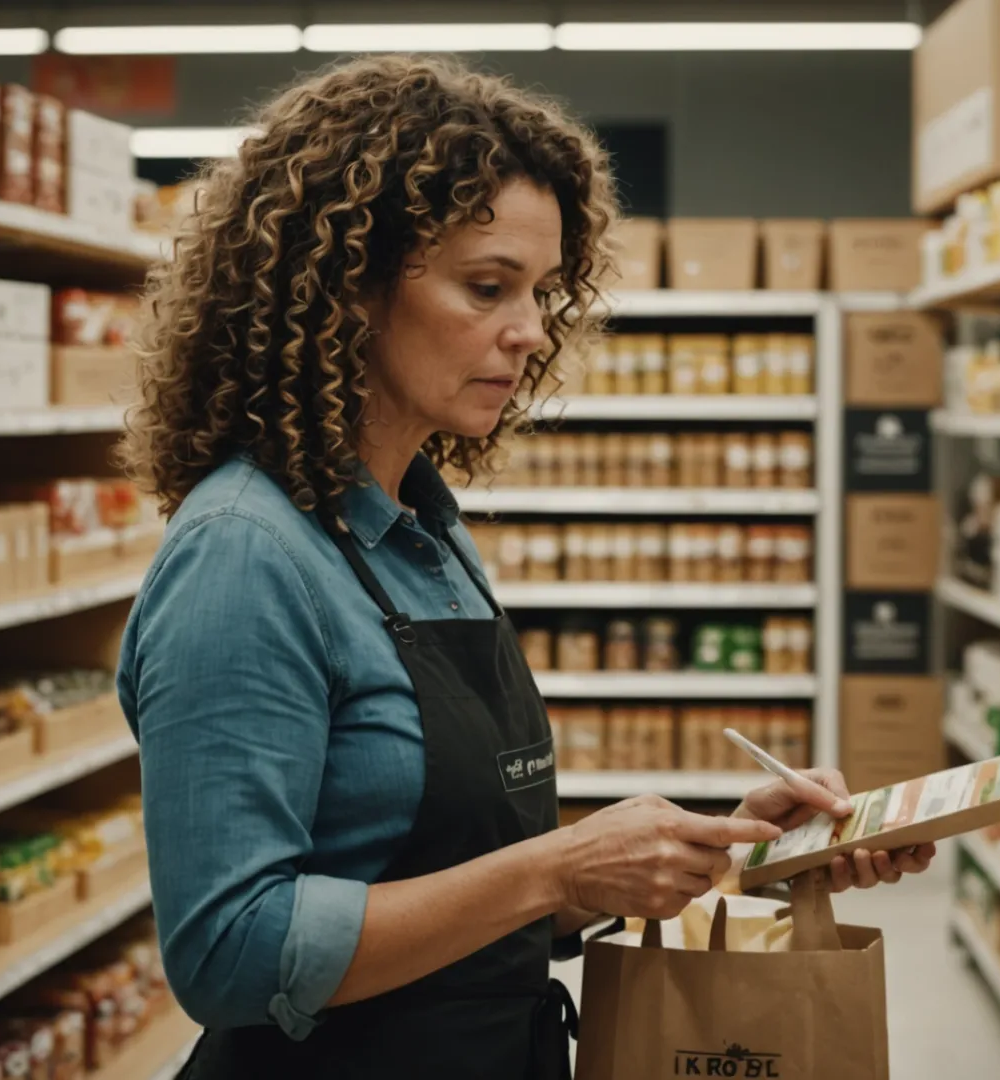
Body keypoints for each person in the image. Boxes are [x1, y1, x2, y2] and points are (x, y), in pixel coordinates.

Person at [115, 54, 936, 1078]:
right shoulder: (245, 555)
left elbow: (466, 895)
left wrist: (732, 854)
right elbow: (229, 952)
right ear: (344, 291)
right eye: (488, 286)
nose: (532, 331)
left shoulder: (425, 533)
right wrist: (555, 868)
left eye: (543, 291)